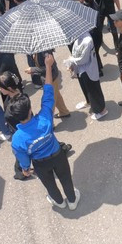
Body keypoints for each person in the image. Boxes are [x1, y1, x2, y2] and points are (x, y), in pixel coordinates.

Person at [9, 53, 80, 211]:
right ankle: (72, 200)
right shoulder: (45, 118)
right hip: (57, 154)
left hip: (40, 164)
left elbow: (23, 159)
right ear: (30, 110)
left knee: (49, 184)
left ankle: (59, 202)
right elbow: (48, 91)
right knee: (66, 178)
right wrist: (48, 66)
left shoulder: (17, 139)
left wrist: (26, 170)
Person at [65, 32, 108, 121]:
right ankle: (89, 102)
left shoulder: (87, 40)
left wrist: (71, 60)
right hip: (81, 69)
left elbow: (83, 59)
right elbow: (75, 53)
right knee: (86, 88)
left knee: (93, 90)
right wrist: (71, 64)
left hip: (88, 69)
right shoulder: (77, 37)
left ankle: (102, 110)